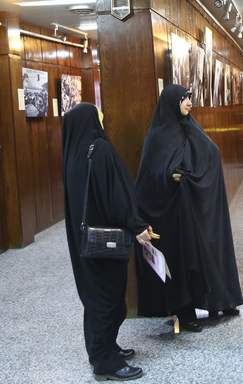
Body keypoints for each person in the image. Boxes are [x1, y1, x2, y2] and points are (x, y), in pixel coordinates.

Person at [134, 84, 243, 333]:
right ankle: (185, 313)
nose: (189, 102)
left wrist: (192, 177)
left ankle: (219, 301)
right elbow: (148, 177)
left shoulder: (191, 128)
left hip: (197, 205)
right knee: (183, 258)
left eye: (190, 98)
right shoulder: (158, 136)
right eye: (184, 98)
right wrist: (168, 176)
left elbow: (210, 156)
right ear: (171, 102)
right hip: (172, 209)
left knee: (210, 249)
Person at [61, 103, 154, 382]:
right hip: (105, 241)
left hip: (84, 242)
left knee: (95, 298)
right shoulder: (100, 150)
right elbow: (118, 195)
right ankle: (104, 362)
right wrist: (137, 226)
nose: (102, 118)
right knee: (108, 300)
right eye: (98, 115)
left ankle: (104, 348)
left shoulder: (73, 153)